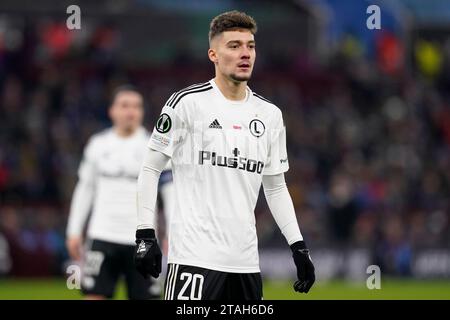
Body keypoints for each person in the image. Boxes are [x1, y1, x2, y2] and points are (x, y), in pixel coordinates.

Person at [134, 11, 315, 300]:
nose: (245, 54)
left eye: (250, 46)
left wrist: (298, 246)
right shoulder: (186, 104)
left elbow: (276, 186)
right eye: (234, 46)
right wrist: (145, 234)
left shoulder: (269, 115)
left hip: (245, 265)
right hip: (194, 259)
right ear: (213, 54)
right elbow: (150, 169)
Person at [66, 85, 172, 299]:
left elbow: (171, 193)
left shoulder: (156, 146)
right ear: (112, 111)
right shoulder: (97, 145)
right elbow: (85, 189)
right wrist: (73, 230)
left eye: (136, 106)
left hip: (143, 239)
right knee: (94, 295)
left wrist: (172, 232)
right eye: (124, 106)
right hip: (102, 234)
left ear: (142, 112)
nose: (130, 111)